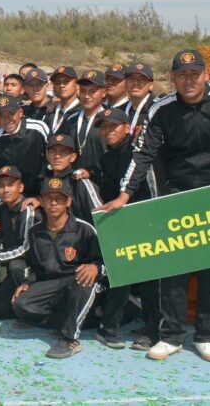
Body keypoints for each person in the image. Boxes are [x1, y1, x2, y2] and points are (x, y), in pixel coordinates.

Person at [101, 49, 210, 362]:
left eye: (195, 74)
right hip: (176, 195)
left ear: (205, 75)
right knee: (175, 268)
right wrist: (124, 194)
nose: (189, 80)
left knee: (208, 269)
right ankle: (172, 335)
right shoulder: (162, 109)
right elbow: (143, 155)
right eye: (182, 75)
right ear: (173, 78)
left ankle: (205, 335)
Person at [12, 177, 104, 359]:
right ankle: (74, 319)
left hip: (77, 282)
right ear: (42, 201)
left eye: (59, 198)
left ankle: (69, 338)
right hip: (52, 284)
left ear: (68, 201)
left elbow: (107, 261)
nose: (54, 203)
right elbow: (33, 265)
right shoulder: (35, 232)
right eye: (49, 198)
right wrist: (27, 282)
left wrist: (95, 266)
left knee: (84, 278)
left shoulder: (84, 230)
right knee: (21, 305)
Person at [94, 108, 152, 350]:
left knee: (150, 278)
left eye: (113, 126)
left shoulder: (138, 154)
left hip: (145, 220)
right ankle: (111, 326)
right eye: (104, 127)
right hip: (120, 223)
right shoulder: (107, 157)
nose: (108, 131)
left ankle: (152, 328)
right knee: (121, 275)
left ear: (128, 128)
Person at [0, 166, 38, 319]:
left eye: (10, 184)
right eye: (1, 186)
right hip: (14, 257)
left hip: (34, 266)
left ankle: (31, 305)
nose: (5, 190)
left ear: (21, 187)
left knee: (13, 265)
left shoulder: (28, 209)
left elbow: (26, 248)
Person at [0, 95, 48, 196]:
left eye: (10, 113)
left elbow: (52, 161)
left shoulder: (37, 129)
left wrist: (41, 196)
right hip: (9, 197)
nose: (6, 120)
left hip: (39, 194)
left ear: (20, 113)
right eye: (1, 115)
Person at [42, 134, 102, 224]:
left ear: (73, 157)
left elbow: (99, 214)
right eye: (53, 151)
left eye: (64, 152)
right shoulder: (44, 182)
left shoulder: (80, 182)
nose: (57, 156)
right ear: (47, 155)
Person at [71, 70, 107, 178]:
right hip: (73, 180)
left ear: (104, 92)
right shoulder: (70, 119)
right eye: (83, 91)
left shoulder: (109, 120)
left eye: (92, 91)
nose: (86, 96)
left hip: (102, 182)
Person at [123, 62, 156, 143]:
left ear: (151, 85)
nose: (135, 83)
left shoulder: (157, 110)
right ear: (125, 83)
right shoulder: (120, 110)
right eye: (131, 79)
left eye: (142, 79)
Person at [45, 66, 81, 135]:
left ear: (77, 85)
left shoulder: (82, 111)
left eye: (66, 81)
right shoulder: (50, 111)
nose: (61, 85)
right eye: (57, 83)